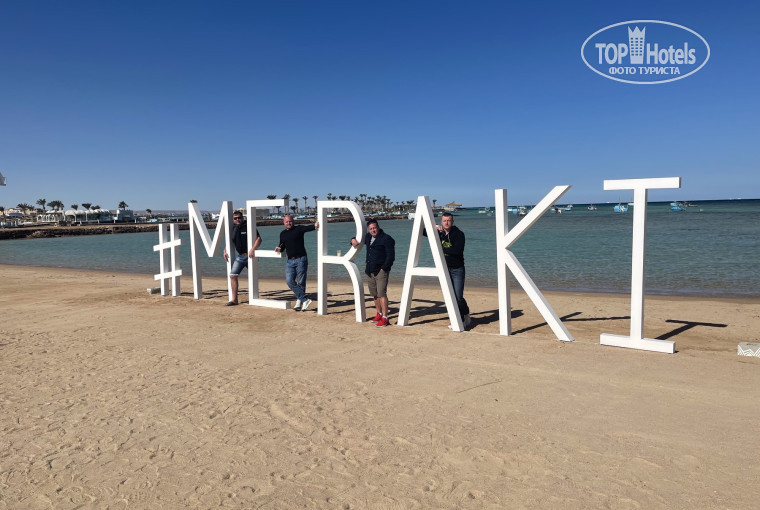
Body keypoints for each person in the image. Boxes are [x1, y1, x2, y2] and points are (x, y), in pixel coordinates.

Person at [427, 212, 471, 329]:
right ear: (441, 222)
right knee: (451, 296)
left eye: (449, 220)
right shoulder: (439, 233)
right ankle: (460, 320)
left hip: (457, 269)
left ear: (452, 222)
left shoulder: (459, 234)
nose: (446, 223)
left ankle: (466, 314)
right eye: (444, 221)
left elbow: (457, 251)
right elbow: (422, 232)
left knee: (458, 297)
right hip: (445, 269)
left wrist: (440, 248)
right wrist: (433, 227)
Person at [351, 219, 395, 328]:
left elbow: (391, 256)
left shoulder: (386, 239)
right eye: (370, 229)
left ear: (378, 227)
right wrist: (352, 240)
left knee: (382, 294)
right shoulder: (368, 237)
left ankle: (385, 318)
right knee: (374, 294)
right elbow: (358, 239)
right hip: (369, 270)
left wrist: (384, 269)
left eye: (374, 228)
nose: (373, 230)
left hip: (381, 271)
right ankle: (379, 313)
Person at [275, 214, 319, 311]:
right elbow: (282, 246)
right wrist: (279, 249)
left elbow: (308, 228)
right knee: (289, 281)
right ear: (284, 223)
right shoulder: (282, 234)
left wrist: (315, 225)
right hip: (290, 261)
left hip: (301, 259)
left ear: (293, 221)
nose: (289, 223)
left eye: (290, 221)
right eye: (287, 222)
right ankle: (305, 299)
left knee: (301, 282)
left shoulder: (298, 229)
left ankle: (299, 302)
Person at [222, 211, 262, 306]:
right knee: (233, 276)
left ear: (242, 218)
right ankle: (234, 300)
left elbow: (259, 239)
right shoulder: (233, 228)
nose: (237, 220)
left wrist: (252, 249)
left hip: (250, 257)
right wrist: (225, 250)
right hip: (240, 257)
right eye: (235, 218)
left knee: (253, 276)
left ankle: (255, 298)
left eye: (239, 217)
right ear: (233, 219)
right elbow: (231, 242)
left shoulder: (248, 226)